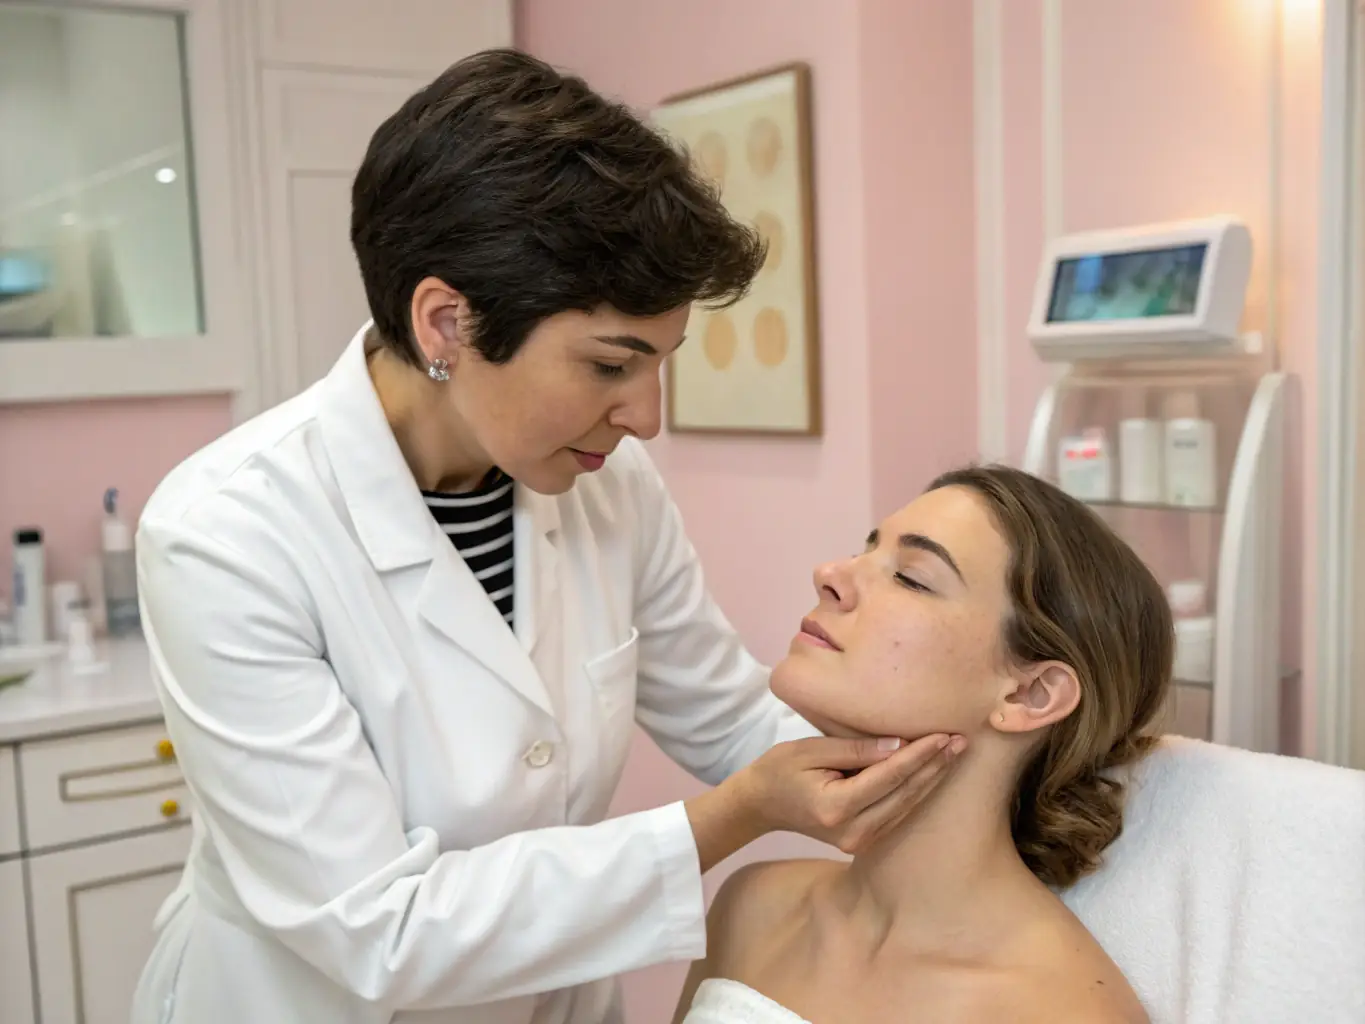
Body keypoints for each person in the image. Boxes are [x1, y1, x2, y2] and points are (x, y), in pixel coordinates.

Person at [129, 49, 962, 1024]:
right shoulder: (226, 533)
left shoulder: (610, 487)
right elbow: (375, 926)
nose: (647, 416)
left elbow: (731, 718)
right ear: (447, 322)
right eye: (613, 364)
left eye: (661, 363)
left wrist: (945, 773)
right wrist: (733, 817)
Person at [674, 465, 1171, 1024]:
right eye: (866, 550)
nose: (830, 574)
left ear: (1029, 694)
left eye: (911, 577)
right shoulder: (751, 909)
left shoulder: (1058, 1010)